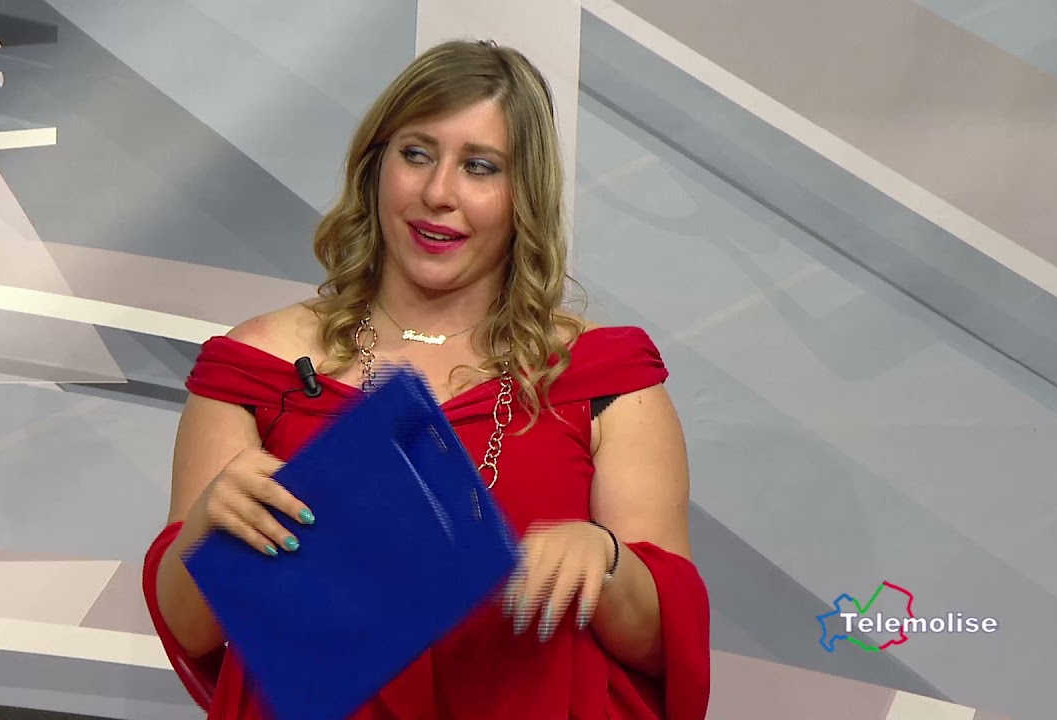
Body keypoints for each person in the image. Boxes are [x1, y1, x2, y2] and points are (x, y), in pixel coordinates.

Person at [142, 39, 711, 720]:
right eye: (416, 154)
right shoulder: (256, 366)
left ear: (524, 194)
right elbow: (192, 630)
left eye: (480, 167)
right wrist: (207, 526)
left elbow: (664, 641)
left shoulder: (602, 377)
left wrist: (606, 560)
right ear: (376, 166)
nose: (439, 193)